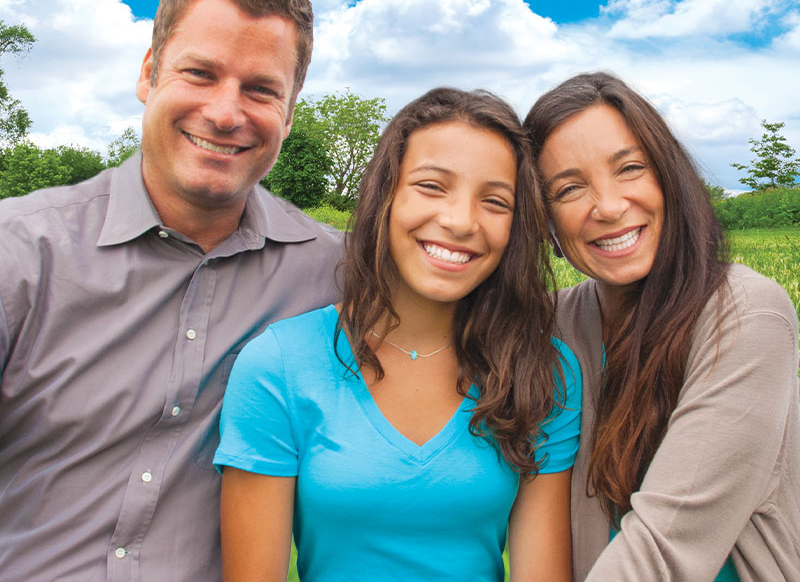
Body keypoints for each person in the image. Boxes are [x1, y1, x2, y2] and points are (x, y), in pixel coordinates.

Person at [0, 0, 342, 581]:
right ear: (149, 73)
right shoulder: (17, 252)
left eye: (261, 88)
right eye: (200, 73)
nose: (225, 112)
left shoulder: (335, 274)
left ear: (290, 112)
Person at [213, 87, 582, 581]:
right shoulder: (279, 365)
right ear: (384, 195)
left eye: (495, 201)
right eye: (432, 186)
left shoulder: (545, 371)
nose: (460, 221)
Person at [524, 71, 800, 582]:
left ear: (669, 177)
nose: (607, 207)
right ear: (545, 224)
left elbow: (665, 551)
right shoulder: (552, 324)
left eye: (630, 168)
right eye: (568, 189)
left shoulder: (746, 314)